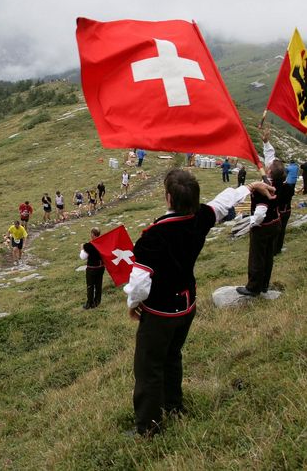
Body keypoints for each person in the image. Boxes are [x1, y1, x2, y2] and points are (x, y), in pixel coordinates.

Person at [123, 169, 275, 436]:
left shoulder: (153, 236)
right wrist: (250, 187)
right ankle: (174, 405)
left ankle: (148, 427)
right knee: (173, 356)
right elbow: (222, 202)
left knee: (149, 367)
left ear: (168, 198)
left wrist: (132, 303)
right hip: (187, 305)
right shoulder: (201, 218)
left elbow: (139, 284)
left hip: (160, 312)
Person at [237, 128, 288, 293]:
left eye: (269, 165)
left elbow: (260, 212)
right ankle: (265, 284)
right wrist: (266, 143)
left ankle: (253, 288)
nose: (268, 164)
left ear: (269, 171)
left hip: (263, 226)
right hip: (276, 222)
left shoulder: (264, 187)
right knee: (268, 256)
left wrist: (252, 223)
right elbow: (271, 158)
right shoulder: (280, 181)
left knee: (257, 256)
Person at [80, 228, 105, 309]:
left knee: (90, 286)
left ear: (93, 235)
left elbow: (83, 257)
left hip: (91, 269)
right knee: (98, 285)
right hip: (101, 268)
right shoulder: (103, 243)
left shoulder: (88, 245)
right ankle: (97, 302)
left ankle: (89, 303)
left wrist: (82, 249)